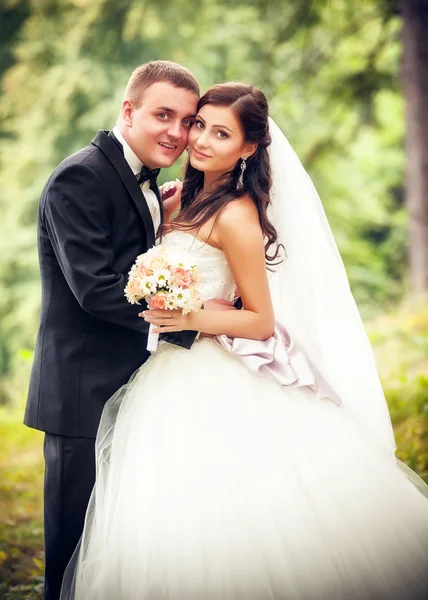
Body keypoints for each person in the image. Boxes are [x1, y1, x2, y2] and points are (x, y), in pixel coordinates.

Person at [61, 83, 428, 599]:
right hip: (164, 373)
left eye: (221, 133)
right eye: (199, 126)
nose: (202, 141)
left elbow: (259, 320)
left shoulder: (237, 214)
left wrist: (191, 315)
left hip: (210, 371)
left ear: (248, 147)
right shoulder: (176, 198)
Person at [24, 60, 200, 600]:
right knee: (74, 548)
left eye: (188, 120)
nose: (176, 132)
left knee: (116, 541)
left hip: (130, 386)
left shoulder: (141, 181)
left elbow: (131, 254)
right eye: (162, 115)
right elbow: (97, 288)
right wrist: (192, 323)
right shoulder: (81, 175)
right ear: (129, 110)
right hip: (83, 394)